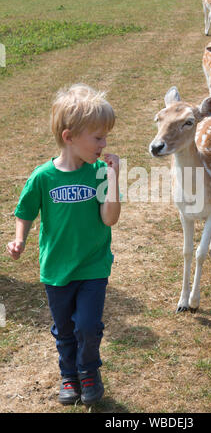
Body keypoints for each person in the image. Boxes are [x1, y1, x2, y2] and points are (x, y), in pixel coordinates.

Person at [7, 83, 121, 406]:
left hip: (93, 266)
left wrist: (113, 179)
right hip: (56, 269)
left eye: (105, 137)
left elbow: (110, 218)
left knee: (87, 325)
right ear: (69, 137)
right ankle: (68, 374)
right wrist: (19, 239)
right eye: (97, 137)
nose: (104, 144)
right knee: (65, 329)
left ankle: (88, 371)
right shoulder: (43, 177)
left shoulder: (99, 172)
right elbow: (25, 211)